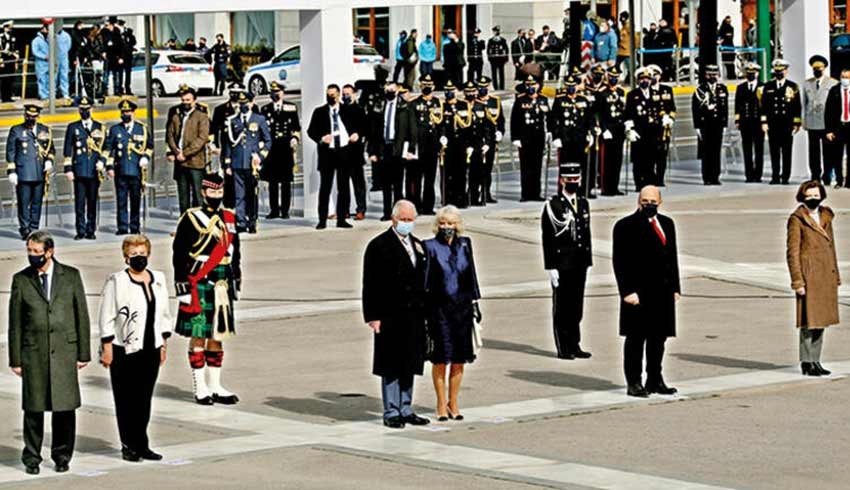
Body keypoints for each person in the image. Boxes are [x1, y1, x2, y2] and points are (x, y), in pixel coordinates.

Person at [8, 230, 91, 475]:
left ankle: (62, 455)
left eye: (36, 252)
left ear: (49, 251)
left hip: (65, 351)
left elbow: (81, 315)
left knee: (64, 408)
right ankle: (31, 457)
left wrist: (83, 352)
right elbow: (15, 323)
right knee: (33, 409)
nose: (32, 256)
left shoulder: (71, 276)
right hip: (34, 353)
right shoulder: (21, 279)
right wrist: (15, 358)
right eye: (29, 251)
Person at [98, 234, 171, 462]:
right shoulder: (116, 281)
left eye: (142, 253)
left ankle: (142, 443)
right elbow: (106, 316)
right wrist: (107, 347)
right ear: (126, 257)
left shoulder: (158, 279)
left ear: (148, 254)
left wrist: (163, 343)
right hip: (124, 348)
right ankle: (128, 444)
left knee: (144, 398)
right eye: (134, 254)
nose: (138, 258)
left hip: (151, 346)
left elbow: (164, 314)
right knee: (126, 399)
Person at [173, 173, 241, 405]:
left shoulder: (229, 217)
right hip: (198, 280)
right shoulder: (191, 218)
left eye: (219, 192)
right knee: (199, 333)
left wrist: (236, 277)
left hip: (222, 281)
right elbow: (179, 253)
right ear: (203, 192)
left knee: (217, 334)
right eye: (212, 192)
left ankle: (215, 385)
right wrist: (181, 284)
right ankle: (200, 386)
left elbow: (235, 250)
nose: (216, 196)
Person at [362, 199, 430, 429]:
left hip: (414, 315)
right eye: (403, 219)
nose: (407, 224)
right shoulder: (379, 246)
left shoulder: (418, 245)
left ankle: (406, 407)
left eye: (411, 220)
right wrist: (373, 316)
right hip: (390, 314)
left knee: (409, 362)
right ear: (393, 219)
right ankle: (391, 409)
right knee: (391, 364)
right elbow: (370, 284)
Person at [612, 185, 681, 398]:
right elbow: (620, 262)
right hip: (638, 293)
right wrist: (627, 291)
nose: (649, 204)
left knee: (658, 338)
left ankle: (654, 379)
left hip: (662, 293)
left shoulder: (667, 224)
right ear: (638, 201)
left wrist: (675, 287)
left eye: (653, 201)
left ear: (660, 202)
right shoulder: (625, 226)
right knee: (635, 339)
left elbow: (672, 257)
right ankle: (634, 381)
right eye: (645, 201)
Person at [423, 205, 481, 421]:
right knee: (441, 359)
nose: (446, 227)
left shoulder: (465, 244)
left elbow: (471, 274)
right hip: (439, 310)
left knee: (459, 359)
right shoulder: (429, 246)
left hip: (462, 308)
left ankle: (453, 402)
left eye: (450, 223)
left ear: (458, 225)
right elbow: (426, 280)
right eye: (442, 223)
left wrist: (475, 302)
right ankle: (440, 403)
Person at [786, 180, 839, 377]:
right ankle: (806, 362)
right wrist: (797, 281)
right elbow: (792, 252)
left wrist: (836, 276)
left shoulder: (826, 216)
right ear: (802, 197)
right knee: (809, 323)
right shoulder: (797, 219)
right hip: (808, 276)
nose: (813, 199)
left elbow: (831, 247)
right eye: (809, 196)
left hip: (825, 275)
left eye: (816, 195)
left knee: (821, 321)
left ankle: (816, 360)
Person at [542, 162, 592, 360]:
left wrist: (587, 259)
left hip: (580, 262)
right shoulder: (553, 205)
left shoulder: (583, 202)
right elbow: (548, 237)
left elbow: (585, 232)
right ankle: (563, 346)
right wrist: (551, 266)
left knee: (576, 305)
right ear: (562, 180)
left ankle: (575, 343)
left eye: (576, 179)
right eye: (569, 179)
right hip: (562, 263)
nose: (573, 182)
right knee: (563, 306)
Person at [307, 84, 361, 229]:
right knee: (325, 187)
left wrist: (356, 134)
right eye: (328, 94)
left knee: (343, 187)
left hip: (343, 151)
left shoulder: (347, 111)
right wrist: (321, 138)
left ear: (338, 95)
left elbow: (359, 126)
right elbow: (311, 131)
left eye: (333, 94)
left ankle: (342, 218)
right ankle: (322, 219)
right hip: (327, 153)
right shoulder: (320, 112)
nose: (331, 97)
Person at [222, 90, 270, 233]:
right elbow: (229, 143)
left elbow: (268, 140)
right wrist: (228, 163)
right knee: (239, 195)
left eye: (246, 103)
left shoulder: (259, 119)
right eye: (241, 103)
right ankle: (241, 222)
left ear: (251, 103)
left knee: (251, 193)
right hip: (237, 162)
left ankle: (252, 221)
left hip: (252, 163)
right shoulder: (233, 120)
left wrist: (260, 157)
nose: (243, 105)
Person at [367, 82, 416, 221]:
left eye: (392, 90)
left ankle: (398, 213)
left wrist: (411, 149)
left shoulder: (404, 107)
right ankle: (387, 212)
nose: (389, 92)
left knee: (398, 184)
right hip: (384, 147)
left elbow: (412, 129)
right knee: (386, 184)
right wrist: (372, 151)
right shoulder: (379, 106)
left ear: (397, 91)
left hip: (398, 147)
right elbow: (374, 131)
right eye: (387, 90)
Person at [6, 104, 55, 240]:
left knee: (37, 203)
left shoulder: (45, 130)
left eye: (34, 116)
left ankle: (34, 228)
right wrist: (12, 171)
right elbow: (10, 152)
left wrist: (49, 161)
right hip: (23, 173)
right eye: (28, 116)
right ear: (25, 115)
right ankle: (25, 228)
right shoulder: (16, 130)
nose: (31, 119)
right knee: (23, 203)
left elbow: (51, 149)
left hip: (39, 172)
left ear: (38, 116)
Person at [105, 99, 152, 235]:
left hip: (136, 170)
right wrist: (109, 167)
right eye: (123, 112)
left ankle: (135, 226)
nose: (125, 114)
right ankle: (122, 227)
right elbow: (109, 149)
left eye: (128, 112)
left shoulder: (141, 129)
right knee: (121, 200)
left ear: (133, 113)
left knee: (135, 200)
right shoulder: (115, 130)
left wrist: (145, 157)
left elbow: (149, 146)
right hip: (120, 169)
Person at [63, 96, 105, 240]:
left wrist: (102, 162)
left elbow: (105, 148)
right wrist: (68, 169)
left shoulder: (100, 127)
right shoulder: (73, 127)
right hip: (79, 170)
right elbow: (68, 148)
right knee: (79, 203)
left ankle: (90, 230)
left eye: (87, 109)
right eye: (82, 109)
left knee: (92, 202)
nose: (84, 112)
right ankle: (80, 230)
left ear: (91, 109)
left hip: (94, 171)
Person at [166, 85, 210, 215]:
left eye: (188, 100)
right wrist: (175, 152)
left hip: (196, 161)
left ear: (194, 101)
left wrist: (185, 153)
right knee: (183, 197)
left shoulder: (201, 117)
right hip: (180, 162)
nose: (185, 103)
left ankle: (200, 223)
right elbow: (170, 135)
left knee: (198, 194)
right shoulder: (176, 116)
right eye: (183, 100)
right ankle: (184, 223)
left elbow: (202, 139)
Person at [261, 81, 300, 219]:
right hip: (272, 149)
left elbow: (296, 126)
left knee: (285, 181)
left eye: (277, 92)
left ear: (282, 92)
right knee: (272, 182)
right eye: (273, 92)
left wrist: (295, 138)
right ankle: (274, 210)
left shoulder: (291, 107)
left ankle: (285, 210)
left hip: (285, 147)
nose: (275, 94)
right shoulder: (265, 109)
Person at [761, 59, 802, 185]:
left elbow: (797, 106)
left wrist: (796, 123)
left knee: (786, 152)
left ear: (786, 71)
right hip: (773, 123)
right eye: (777, 71)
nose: (780, 73)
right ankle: (775, 176)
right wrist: (764, 122)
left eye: (782, 70)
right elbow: (764, 106)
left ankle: (785, 176)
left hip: (786, 124)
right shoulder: (768, 86)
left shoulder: (792, 86)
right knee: (774, 152)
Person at [550, 75, 592, 197]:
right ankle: (563, 190)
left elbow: (589, 119)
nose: (571, 89)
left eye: (573, 86)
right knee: (565, 166)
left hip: (580, 138)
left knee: (581, 165)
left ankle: (582, 191)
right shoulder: (559, 100)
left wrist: (591, 133)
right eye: (568, 86)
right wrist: (555, 136)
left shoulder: (583, 100)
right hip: (565, 138)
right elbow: (553, 120)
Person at [511, 75, 550, 201]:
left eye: (533, 85)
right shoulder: (520, 100)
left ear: (538, 85)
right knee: (526, 166)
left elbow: (548, 117)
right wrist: (515, 137)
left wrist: (549, 132)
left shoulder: (543, 100)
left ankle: (536, 193)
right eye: (528, 85)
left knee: (537, 166)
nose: (531, 87)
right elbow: (514, 120)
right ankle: (526, 194)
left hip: (539, 137)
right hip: (525, 137)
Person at [408, 74, 443, 214]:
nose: (427, 87)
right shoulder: (414, 103)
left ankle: (428, 206)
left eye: (429, 85)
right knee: (417, 178)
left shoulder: (438, 102)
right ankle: (417, 205)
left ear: (433, 86)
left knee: (430, 178)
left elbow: (441, 124)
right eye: (424, 84)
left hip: (432, 145)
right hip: (419, 145)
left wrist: (442, 140)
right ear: (420, 85)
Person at [624, 68, 661, 190]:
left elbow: (660, 111)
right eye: (642, 79)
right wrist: (630, 129)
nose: (645, 81)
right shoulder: (632, 95)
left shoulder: (655, 94)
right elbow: (628, 113)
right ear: (638, 80)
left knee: (651, 158)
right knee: (639, 159)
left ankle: (650, 181)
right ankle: (639, 183)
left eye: (647, 79)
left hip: (653, 131)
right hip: (639, 132)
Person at [692, 64, 729, 185]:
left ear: (718, 75)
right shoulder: (700, 90)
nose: (712, 76)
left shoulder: (722, 89)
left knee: (716, 151)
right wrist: (697, 126)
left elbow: (725, 108)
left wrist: (724, 124)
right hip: (705, 125)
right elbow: (695, 110)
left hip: (718, 125)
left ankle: (715, 176)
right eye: (710, 74)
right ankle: (707, 177)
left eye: (714, 74)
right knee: (706, 152)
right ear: (705, 75)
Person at [803, 55, 837, 184]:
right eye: (815, 68)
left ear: (824, 68)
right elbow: (804, 102)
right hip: (812, 122)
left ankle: (827, 175)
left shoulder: (832, 83)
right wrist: (804, 121)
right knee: (813, 152)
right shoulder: (807, 83)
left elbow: (835, 105)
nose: (817, 71)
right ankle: (815, 175)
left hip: (826, 122)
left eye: (820, 68)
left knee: (828, 151)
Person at [439, 80, 472, 208]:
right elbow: (440, 124)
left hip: (461, 143)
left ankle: (461, 198)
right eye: (447, 91)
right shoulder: (442, 106)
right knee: (448, 174)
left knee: (461, 173)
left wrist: (469, 144)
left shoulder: (463, 105)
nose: (449, 93)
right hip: (448, 144)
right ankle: (448, 199)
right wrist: (441, 137)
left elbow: (468, 127)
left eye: (451, 91)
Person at [472, 76, 503, 204]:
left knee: (487, 169)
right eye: (480, 88)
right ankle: (474, 194)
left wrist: (500, 132)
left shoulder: (494, 101)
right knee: (476, 168)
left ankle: (486, 193)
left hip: (491, 140)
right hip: (477, 140)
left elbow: (500, 120)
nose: (483, 90)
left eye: (485, 87)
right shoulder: (473, 103)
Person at [599, 67, 627, 195]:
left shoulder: (621, 92)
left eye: (616, 77)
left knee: (617, 159)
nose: (613, 79)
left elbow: (624, 111)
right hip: (608, 130)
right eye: (611, 77)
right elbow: (599, 114)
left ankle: (615, 186)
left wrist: (628, 127)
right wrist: (604, 129)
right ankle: (606, 188)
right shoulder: (602, 93)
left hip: (619, 130)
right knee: (607, 161)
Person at [735, 63, 765, 183]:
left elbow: (765, 106)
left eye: (753, 74)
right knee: (747, 150)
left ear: (757, 74)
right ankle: (748, 174)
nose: (751, 76)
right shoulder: (741, 87)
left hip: (758, 122)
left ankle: (758, 175)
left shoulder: (763, 86)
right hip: (745, 122)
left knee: (759, 150)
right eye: (748, 74)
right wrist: (737, 120)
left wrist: (765, 121)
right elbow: (738, 105)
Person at [341, 84, 367, 220]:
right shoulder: (340, 111)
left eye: (348, 94)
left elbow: (365, 128)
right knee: (343, 184)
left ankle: (361, 209)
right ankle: (344, 210)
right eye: (343, 94)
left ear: (354, 94)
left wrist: (358, 134)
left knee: (358, 184)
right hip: (343, 152)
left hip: (356, 152)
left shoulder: (359, 110)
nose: (345, 96)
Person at [650, 64, 676, 186]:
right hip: (652, 127)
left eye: (656, 75)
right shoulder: (647, 91)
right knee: (652, 154)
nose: (654, 77)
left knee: (663, 154)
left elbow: (672, 107)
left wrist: (670, 118)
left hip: (664, 128)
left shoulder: (667, 90)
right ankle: (651, 177)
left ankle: (660, 178)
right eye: (652, 75)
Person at [825, 69, 850, 187]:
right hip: (838, 127)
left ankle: (849, 181)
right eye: (843, 77)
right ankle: (839, 180)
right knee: (837, 156)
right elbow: (828, 112)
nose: (845, 79)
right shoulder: (834, 90)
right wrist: (829, 130)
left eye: (847, 77)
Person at [99, 17, 125, 97]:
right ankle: (104, 90)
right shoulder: (104, 32)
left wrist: (121, 57)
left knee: (116, 74)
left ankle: (117, 90)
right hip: (108, 55)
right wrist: (103, 51)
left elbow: (121, 45)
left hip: (115, 55)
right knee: (106, 74)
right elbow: (102, 43)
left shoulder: (117, 32)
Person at [69, 21, 95, 98]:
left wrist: (86, 56)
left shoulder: (82, 35)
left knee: (81, 75)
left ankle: (80, 91)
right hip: (76, 58)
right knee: (75, 75)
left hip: (82, 58)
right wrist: (74, 58)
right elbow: (74, 48)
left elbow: (85, 47)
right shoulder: (74, 34)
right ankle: (73, 91)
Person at [0, 20, 18, 102]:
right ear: (4, 28)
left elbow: (15, 49)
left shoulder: (12, 37)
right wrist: (1, 61)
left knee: (11, 79)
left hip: (11, 59)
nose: (9, 29)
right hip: (4, 59)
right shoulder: (1, 37)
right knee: (4, 79)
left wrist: (16, 60)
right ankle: (4, 97)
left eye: (10, 28)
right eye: (7, 28)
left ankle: (9, 96)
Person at [32, 25, 50, 100]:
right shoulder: (36, 40)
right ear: (42, 29)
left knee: (48, 80)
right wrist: (44, 56)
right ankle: (42, 95)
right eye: (47, 29)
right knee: (41, 79)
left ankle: (48, 95)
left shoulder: (48, 39)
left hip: (48, 63)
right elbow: (35, 51)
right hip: (41, 63)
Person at [487, 26, 509, 90]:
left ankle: (502, 87)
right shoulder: (491, 40)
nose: (496, 32)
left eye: (497, 31)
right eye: (495, 31)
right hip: (493, 59)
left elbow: (506, 50)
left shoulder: (503, 40)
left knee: (501, 73)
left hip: (500, 59)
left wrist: (506, 58)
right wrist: (490, 58)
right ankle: (495, 87)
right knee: (494, 74)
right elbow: (488, 50)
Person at [118, 21, 136, 96]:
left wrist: (130, 35)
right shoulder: (117, 34)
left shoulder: (128, 34)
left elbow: (133, 42)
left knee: (128, 73)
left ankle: (127, 88)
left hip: (128, 56)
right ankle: (120, 89)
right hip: (121, 57)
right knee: (120, 74)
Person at [718, 16, 735, 80]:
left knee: (731, 63)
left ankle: (731, 75)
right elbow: (721, 37)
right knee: (726, 63)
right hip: (725, 47)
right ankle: (727, 75)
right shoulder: (722, 28)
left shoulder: (731, 28)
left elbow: (729, 37)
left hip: (730, 47)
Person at [56, 27, 72, 99]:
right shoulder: (52, 35)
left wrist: (63, 52)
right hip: (55, 58)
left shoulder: (66, 36)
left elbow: (69, 46)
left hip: (64, 58)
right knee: (54, 77)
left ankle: (65, 93)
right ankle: (53, 92)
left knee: (64, 76)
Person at [616, 12, 631, 83]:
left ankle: (629, 80)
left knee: (630, 67)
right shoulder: (623, 26)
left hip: (627, 50)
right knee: (617, 64)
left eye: (621, 17)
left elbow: (635, 37)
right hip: (621, 49)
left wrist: (634, 47)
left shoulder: (628, 26)